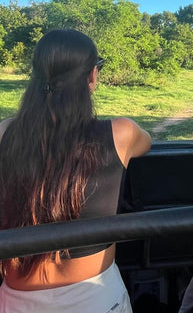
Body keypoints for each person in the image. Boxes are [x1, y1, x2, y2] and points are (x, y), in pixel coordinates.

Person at [0, 29, 151, 313]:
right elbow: (147, 142)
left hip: (15, 302)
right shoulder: (122, 133)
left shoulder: (4, 133)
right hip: (96, 297)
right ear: (92, 77)